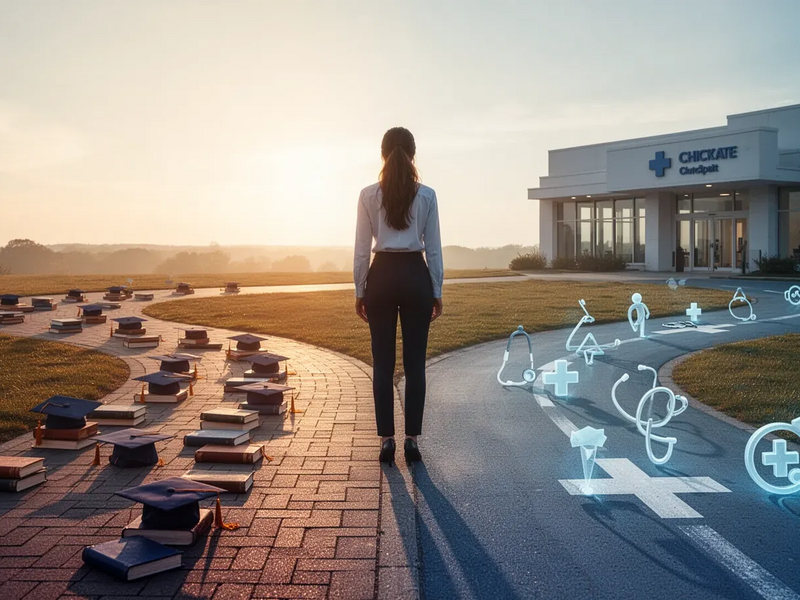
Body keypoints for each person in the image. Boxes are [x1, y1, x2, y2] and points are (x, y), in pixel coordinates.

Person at [353, 127, 443, 467]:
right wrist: (437, 291)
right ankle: (412, 441)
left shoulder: (367, 195)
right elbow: (433, 250)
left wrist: (360, 290)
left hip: (382, 276)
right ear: (413, 154)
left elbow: (362, 250)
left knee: (383, 363)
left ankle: (386, 440)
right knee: (415, 363)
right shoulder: (428, 196)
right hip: (415, 276)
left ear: (383, 154)